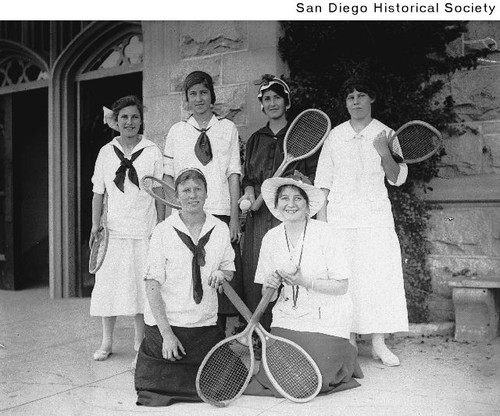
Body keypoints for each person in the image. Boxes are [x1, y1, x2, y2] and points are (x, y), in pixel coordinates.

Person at [315, 77, 409, 367]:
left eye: (361, 95)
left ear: (372, 99)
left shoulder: (387, 133)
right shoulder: (335, 136)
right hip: (340, 219)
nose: (355, 101)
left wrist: (383, 152)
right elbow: (323, 182)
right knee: (347, 279)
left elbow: (397, 178)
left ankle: (379, 342)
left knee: (378, 278)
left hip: (375, 219)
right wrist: (322, 221)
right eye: (350, 97)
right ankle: (350, 340)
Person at [244, 173, 363, 397]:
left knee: (313, 380)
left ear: (308, 205)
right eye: (284, 198)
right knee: (278, 379)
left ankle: (346, 353)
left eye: (298, 198)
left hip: (325, 317)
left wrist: (305, 282)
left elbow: (342, 286)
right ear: (276, 205)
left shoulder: (325, 233)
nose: (291, 204)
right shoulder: (270, 237)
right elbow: (266, 296)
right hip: (288, 317)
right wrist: (269, 286)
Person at [134, 168, 235, 406]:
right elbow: (151, 285)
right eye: (186, 190)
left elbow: (229, 269)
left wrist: (222, 273)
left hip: (204, 323)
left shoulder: (219, 229)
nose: (192, 195)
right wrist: (167, 335)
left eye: (198, 189)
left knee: (223, 387)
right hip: (167, 326)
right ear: (176, 196)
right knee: (155, 392)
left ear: (207, 194)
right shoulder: (162, 231)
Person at [163, 70, 242, 332]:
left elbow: (233, 174)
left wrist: (232, 219)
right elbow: (168, 177)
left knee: (220, 274)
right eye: (193, 94)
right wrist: (167, 218)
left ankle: (221, 333)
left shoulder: (227, 129)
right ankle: (192, 330)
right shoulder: (177, 131)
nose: (199, 99)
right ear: (186, 99)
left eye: (204, 92)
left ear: (212, 96)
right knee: (189, 274)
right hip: (187, 215)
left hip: (217, 211)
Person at [239, 74, 318, 329]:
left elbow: (310, 179)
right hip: (259, 218)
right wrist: (250, 195)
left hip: (288, 215)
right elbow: (248, 178)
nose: (272, 103)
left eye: (277, 98)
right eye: (267, 99)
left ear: (286, 102)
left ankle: (287, 328)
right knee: (258, 269)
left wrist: (300, 181)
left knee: (287, 268)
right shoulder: (255, 139)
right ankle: (257, 329)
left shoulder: (300, 138)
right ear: (262, 104)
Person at [89, 95, 164, 363]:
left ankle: (139, 342)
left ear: (141, 120)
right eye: (124, 117)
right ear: (116, 122)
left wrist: (161, 229)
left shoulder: (152, 150)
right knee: (107, 286)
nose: (129, 122)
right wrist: (96, 224)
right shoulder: (106, 152)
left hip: (144, 229)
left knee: (140, 287)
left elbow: (160, 193)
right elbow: (98, 192)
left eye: (134, 117)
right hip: (113, 231)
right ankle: (107, 341)